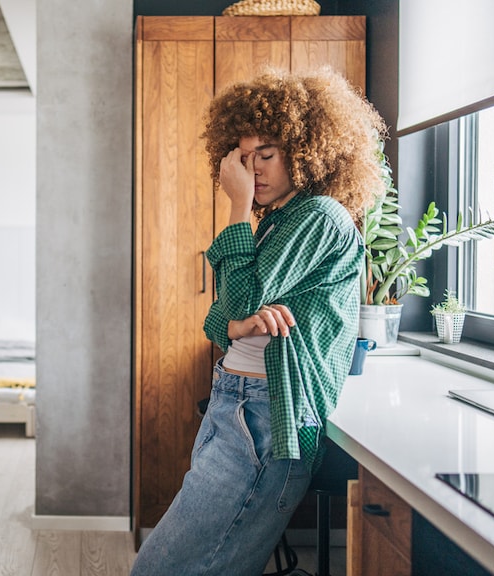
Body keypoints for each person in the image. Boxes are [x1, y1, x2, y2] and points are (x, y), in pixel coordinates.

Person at [130, 67, 386, 575]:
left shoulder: (319, 216)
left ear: (306, 150)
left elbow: (240, 297)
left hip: (266, 412)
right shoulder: (277, 221)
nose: (253, 170)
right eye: (243, 159)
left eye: (265, 154)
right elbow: (218, 319)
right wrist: (237, 326)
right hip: (235, 400)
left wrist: (238, 206)